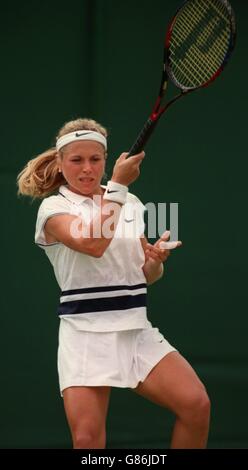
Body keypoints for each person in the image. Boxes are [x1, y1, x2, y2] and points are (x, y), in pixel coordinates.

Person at [17, 117, 210, 449]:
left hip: (135, 330)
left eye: (95, 159)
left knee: (196, 405)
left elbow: (144, 275)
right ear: (61, 164)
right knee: (88, 441)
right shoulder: (54, 208)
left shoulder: (130, 203)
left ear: (105, 161)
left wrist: (153, 261)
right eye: (76, 160)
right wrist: (119, 187)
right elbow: (93, 243)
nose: (87, 168)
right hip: (85, 336)